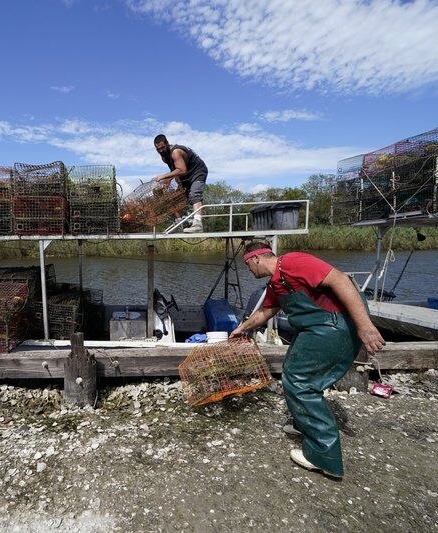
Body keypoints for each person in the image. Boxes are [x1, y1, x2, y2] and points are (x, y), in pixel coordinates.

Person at [230, 241, 385, 478]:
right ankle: (305, 423)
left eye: (247, 264)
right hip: (314, 329)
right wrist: (242, 328)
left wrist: (365, 327)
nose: (249, 270)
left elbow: (341, 280)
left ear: (257, 258)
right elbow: (265, 312)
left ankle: (324, 456)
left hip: (333, 326)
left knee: (301, 382)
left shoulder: (294, 262)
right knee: (292, 370)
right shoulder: (275, 283)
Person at [153, 134, 208, 233]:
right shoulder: (164, 157)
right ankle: (178, 225)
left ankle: (198, 224)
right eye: (158, 149)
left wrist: (164, 176)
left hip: (197, 171)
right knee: (177, 198)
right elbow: (175, 169)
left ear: (167, 143)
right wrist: (169, 179)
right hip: (185, 175)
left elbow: (182, 169)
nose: (161, 151)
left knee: (194, 193)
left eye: (162, 148)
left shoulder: (175, 152)